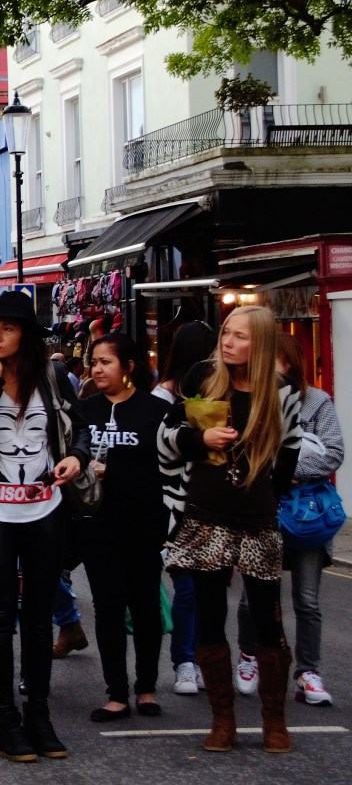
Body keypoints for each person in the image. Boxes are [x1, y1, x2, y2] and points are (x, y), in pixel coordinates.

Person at [0, 290, 89, 762]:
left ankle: (40, 716)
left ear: (26, 334)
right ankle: (6, 720)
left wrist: (75, 456)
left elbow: (81, 429)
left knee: (37, 618)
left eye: (7, 327)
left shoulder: (51, 378)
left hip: (45, 509)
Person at [159, 305, 302, 753]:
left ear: (259, 344)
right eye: (226, 333)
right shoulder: (203, 379)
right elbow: (165, 439)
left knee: (266, 619)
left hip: (257, 519)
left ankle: (274, 720)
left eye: (240, 336)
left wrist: (263, 497)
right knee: (209, 613)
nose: (228, 341)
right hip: (205, 515)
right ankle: (223, 720)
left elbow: (289, 456)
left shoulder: (282, 392)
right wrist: (199, 440)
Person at [234, 332, 344, 707]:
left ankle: (308, 672)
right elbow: (242, 455)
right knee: (253, 599)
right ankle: (249, 655)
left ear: (290, 363)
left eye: (273, 360)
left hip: (309, 515)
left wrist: (285, 467)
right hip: (263, 512)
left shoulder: (317, 401)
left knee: (308, 601)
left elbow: (332, 454)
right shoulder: (253, 401)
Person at [78, 333, 171, 721]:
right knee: (108, 608)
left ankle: (146, 688)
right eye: (94, 362)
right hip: (98, 524)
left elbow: (172, 465)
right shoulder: (84, 410)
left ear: (129, 367)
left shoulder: (154, 411)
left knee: (146, 606)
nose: (97, 369)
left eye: (106, 362)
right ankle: (116, 693)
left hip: (145, 522)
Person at [151, 320, 216, 696]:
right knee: (188, 588)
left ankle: (206, 657)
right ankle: (185, 661)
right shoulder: (163, 402)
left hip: (212, 507)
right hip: (174, 509)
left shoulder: (219, 401)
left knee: (207, 592)